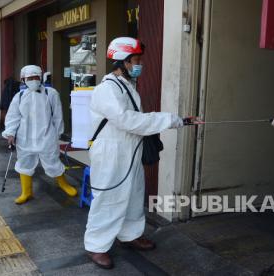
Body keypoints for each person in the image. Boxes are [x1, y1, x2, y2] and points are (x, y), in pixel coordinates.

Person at [84, 37, 196, 269]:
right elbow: (128, 120)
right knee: (109, 199)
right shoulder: (107, 89)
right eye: (135, 59)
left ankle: (130, 234)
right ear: (122, 61)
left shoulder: (127, 86)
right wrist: (173, 120)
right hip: (111, 154)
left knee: (134, 195)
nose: (139, 64)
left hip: (129, 150)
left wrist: (180, 121)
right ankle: (96, 245)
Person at [2, 65, 78, 204]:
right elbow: (13, 117)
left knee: (53, 161)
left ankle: (64, 184)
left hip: (46, 135)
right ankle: (26, 192)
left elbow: (57, 115)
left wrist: (58, 133)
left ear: (41, 77)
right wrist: (10, 133)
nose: (33, 80)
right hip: (25, 137)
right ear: (23, 79)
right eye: (29, 78)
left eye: (36, 77)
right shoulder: (19, 96)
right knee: (24, 163)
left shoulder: (51, 93)